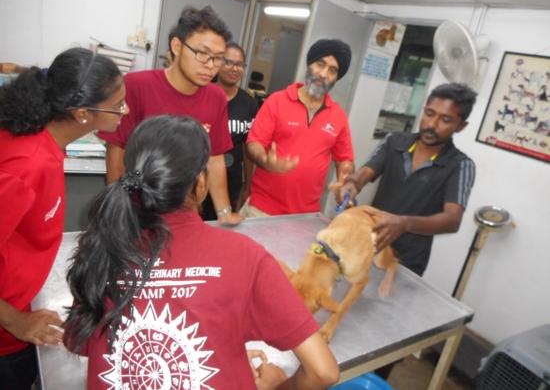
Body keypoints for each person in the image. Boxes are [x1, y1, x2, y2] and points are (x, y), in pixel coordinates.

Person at [63, 115, 339, 390]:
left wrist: (220, 349)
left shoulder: (102, 249)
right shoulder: (243, 256)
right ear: (202, 183)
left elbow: (79, 342)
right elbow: (323, 372)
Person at [0, 47, 127, 390]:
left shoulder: (46, 141)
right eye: (118, 106)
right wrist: (15, 321)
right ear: (83, 113)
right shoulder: (26, 168)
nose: (124, 112)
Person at [98, 5, 244, 225]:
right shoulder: (137, 86)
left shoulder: (216, 97)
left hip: (186, 215)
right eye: (202, 54)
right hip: (140, 212)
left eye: (218, 58)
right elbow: (116, 153)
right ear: (177, 46)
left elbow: (214, 159)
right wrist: (120, 212)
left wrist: (224, 211)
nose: (210, 66)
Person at [336, 82, 477, 278]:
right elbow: (364, 173)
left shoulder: (460, 165)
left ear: (461, 126)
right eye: (429, 113)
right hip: (365, 244)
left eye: (445, 120)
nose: (431, 124)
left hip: (405, 262)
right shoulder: (394, 142)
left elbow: (452, 220)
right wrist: (351, 184)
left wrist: (405, 223)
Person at [240, 39, 355, 217]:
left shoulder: (338, 116)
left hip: (306, 215)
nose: (324, 74)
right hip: (261, 209)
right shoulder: (276, 101)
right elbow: (254, 143)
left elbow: (345, 159)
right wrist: (265, 160)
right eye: (320, 65)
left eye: (332, 70)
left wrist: (345, 179)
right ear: (310, 65)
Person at [201, 42, 258, 220]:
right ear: (218, 63)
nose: (234, 69)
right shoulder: (202, 94)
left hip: (230, 178)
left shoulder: (249, 104)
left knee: (220, 225)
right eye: (228, 62)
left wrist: (248, 185)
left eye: (239, 64)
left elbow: (248, 147)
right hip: (198, 176)